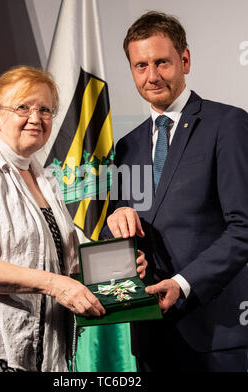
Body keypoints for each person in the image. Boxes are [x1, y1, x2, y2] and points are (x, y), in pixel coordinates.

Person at [0, 65, 137, 372]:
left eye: (46, 109)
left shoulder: (45, 180)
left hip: (49, 354)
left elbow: (69, 264)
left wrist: (123, 268)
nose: (35, 118)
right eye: (22, 107)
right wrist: (54, 285)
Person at [103, 11, 248, 372]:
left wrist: (183, 284)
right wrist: (115, 227)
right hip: (151, 336)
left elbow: (243, 228)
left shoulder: (227, 124)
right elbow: (122, 236)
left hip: (215, 332)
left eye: (161, 62)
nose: (151, 76)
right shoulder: (127, 146)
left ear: (184, 60)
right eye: (140, 66)